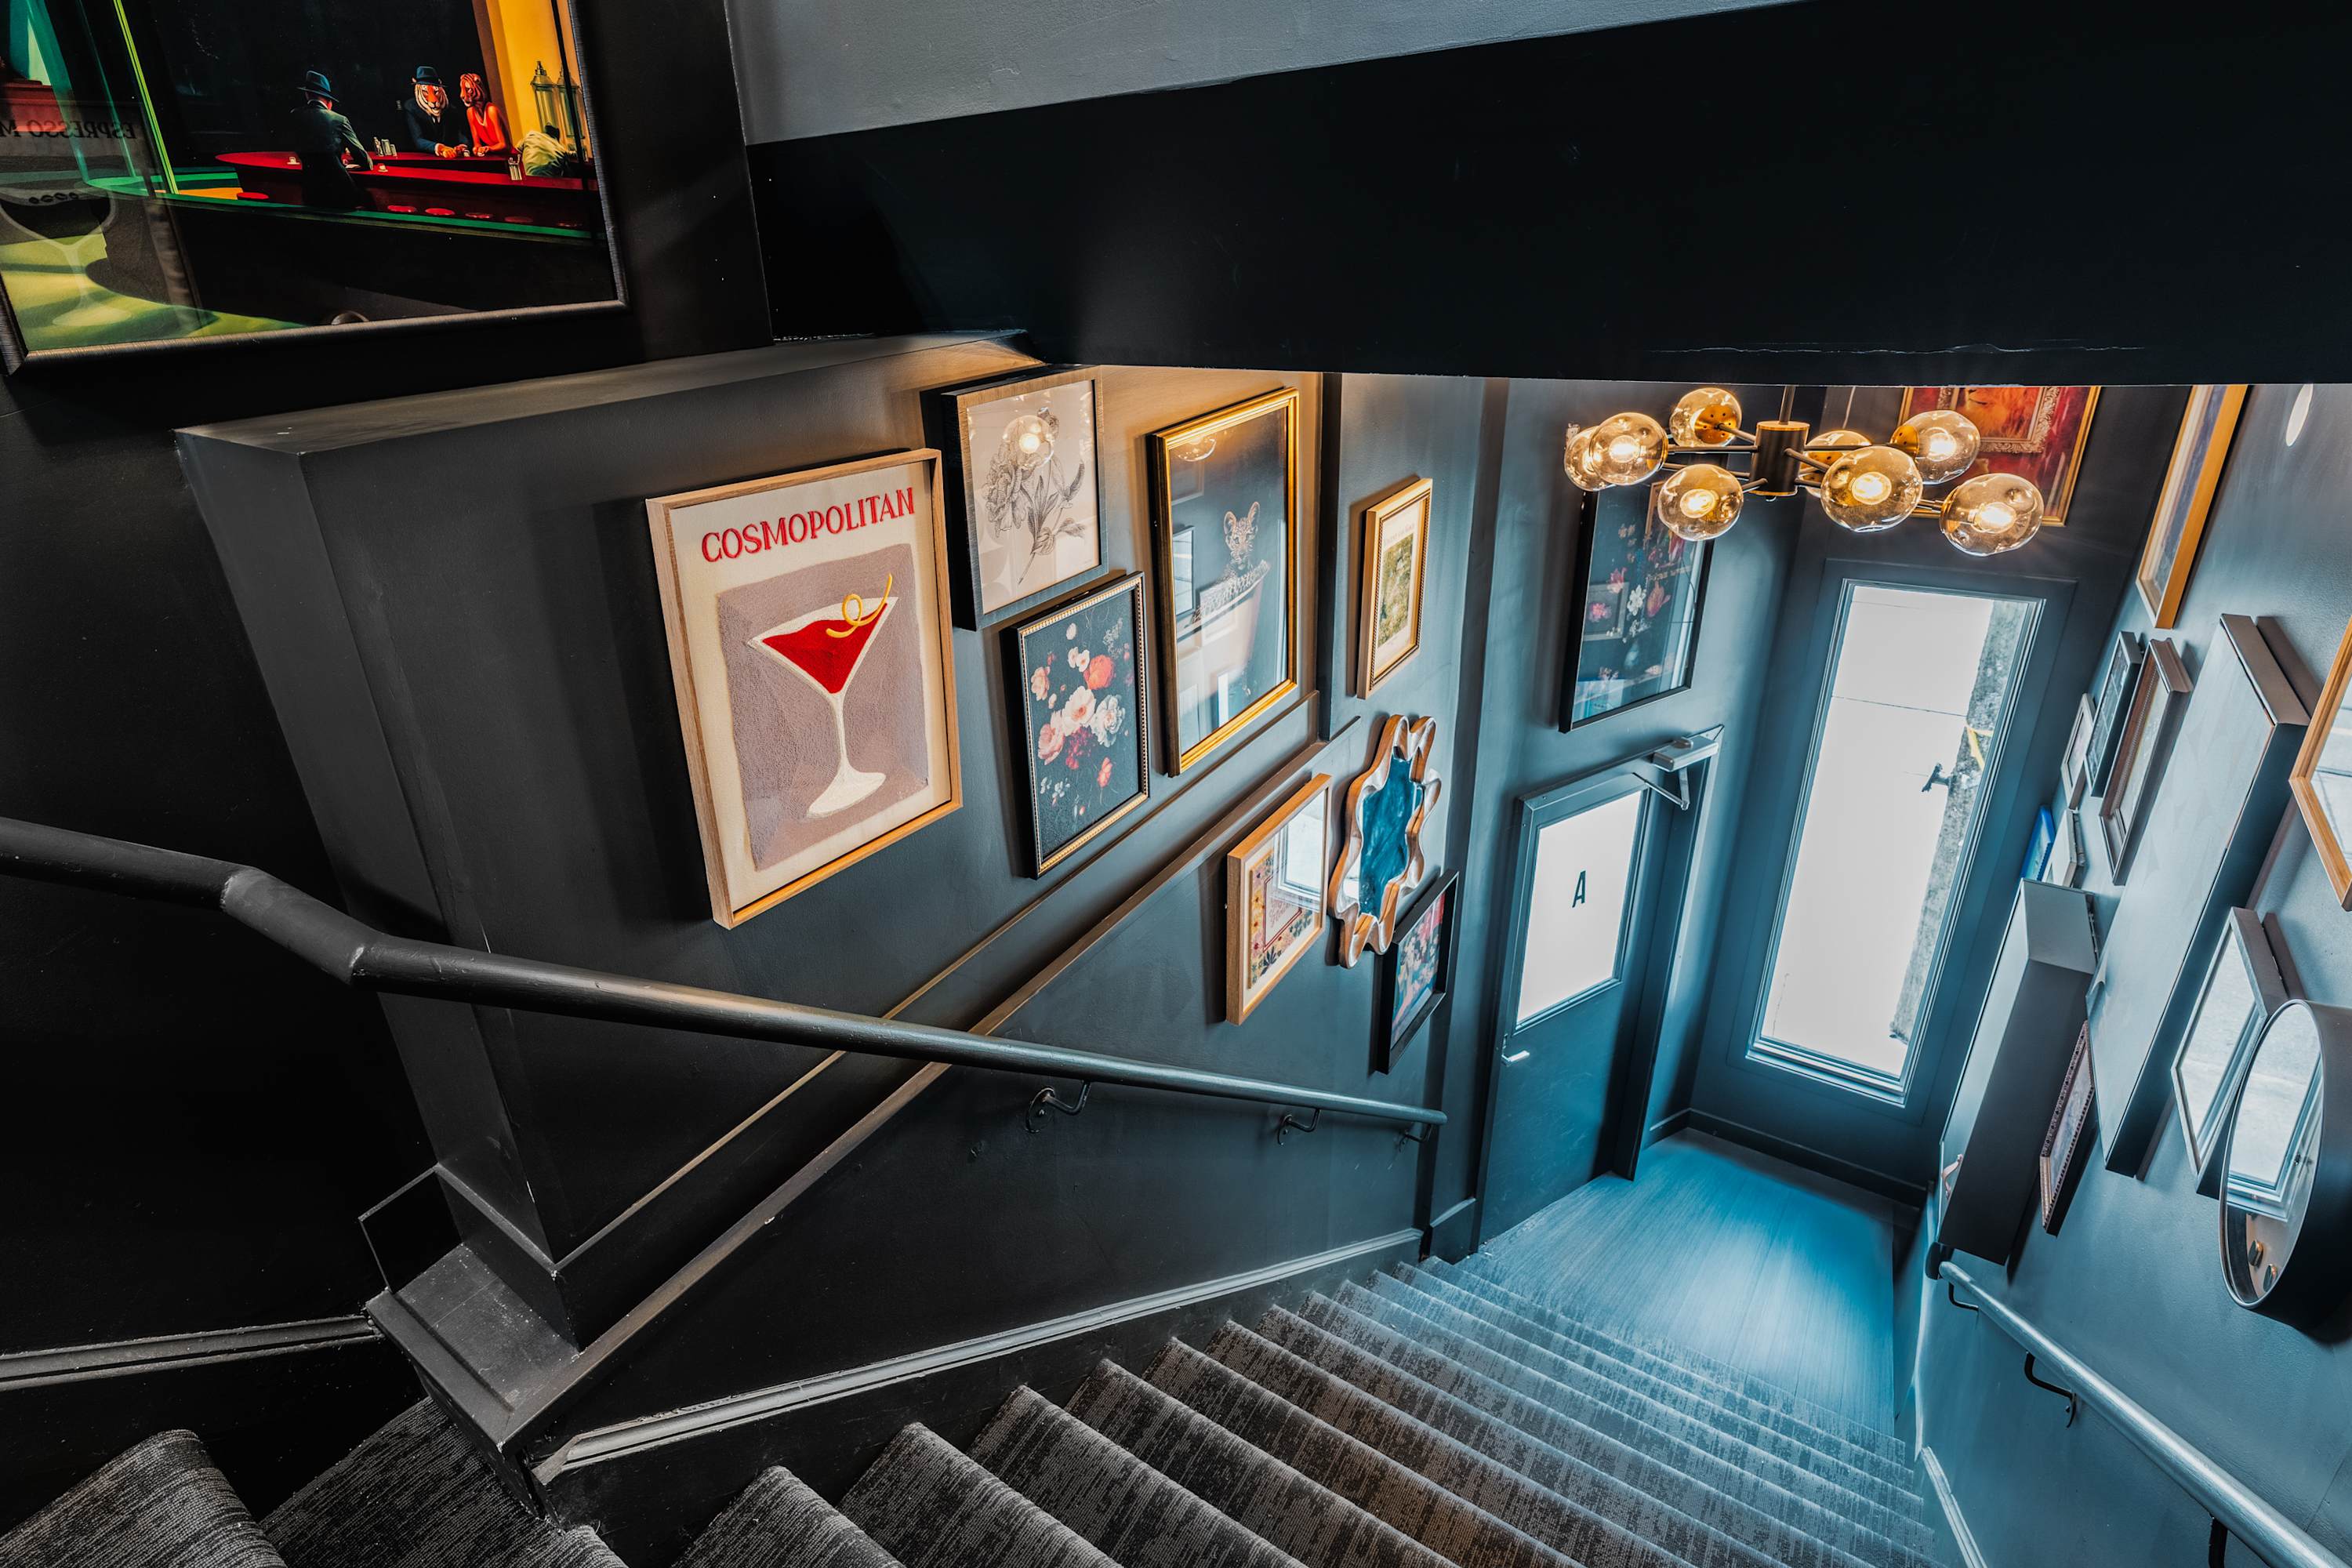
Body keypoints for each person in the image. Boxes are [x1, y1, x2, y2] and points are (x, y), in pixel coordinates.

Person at [288, 69, 371, 209]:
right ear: (329, 101)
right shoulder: (339, 119)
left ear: (307, 94)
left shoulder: (295, 115)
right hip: (341, 190)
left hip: (311, 190)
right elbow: (363, 158)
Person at [400, 66, 464, 158]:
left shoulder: (450, 109)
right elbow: (418, 140)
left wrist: (463, 146)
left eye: (436, 91)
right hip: (425, 160)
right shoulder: (411, 108)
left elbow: (460, 134)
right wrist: (440, 148)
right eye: (425, 92)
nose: (433, 100)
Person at [457, 72, 507, 157]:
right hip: (493, 157)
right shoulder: (470, 112)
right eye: (462, 89)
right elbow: (477, 143)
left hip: (508, 157)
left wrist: (489, 148)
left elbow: (503, 145)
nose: (462, 95)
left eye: (468, 89)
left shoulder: (491, 110)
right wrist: (476, 148)